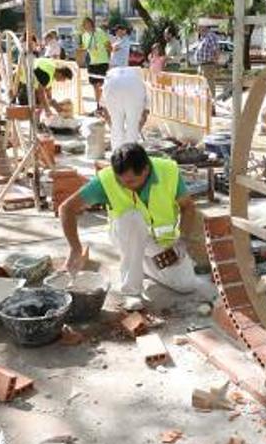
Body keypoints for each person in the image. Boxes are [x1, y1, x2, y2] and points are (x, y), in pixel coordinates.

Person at [60, 142, 206, 311]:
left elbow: (188, 207)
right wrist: (74, 248)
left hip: (160, 241)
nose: (124, 185)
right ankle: (131, 290)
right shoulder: (107, 179)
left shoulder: (168, 172)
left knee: (186, 285)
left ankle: (141, 262)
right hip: (126, 234)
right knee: (133, 216)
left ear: (145, 170)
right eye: (120, 180)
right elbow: (66, 208)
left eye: (130, 181)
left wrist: (182, 240)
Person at [14, 51, 75, 117]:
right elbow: (41, 92)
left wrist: (53, 104)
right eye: (64, 79)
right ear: (60, 74)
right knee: (34, 102)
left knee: (45, 101)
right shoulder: (47, 75)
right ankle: (37, 114)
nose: (62, 82)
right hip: (18, 83)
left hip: (25, 80)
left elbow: (47, 92)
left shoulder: (52, 67)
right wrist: (47, 110)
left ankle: (40, 113)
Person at [100, 66, 149, 150]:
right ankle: (130, 156)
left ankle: (117, 157)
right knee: (132, 127)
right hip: (134, 85)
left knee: (116, 128)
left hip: (112, 83)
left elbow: (105, 112)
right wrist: (137, 130)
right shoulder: (139, 78)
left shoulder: (111, 75)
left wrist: (112, 126)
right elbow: (144, 115)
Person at [78, 17, 111, 111]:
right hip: (92, 63)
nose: (86, 25)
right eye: (84, 24)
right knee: (94, 86)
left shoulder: (99, 32)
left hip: (102, 62)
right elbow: (85, 48)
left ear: (92, 24)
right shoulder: (84, 35)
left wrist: (109, 60)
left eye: (88, 23)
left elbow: (108, 46)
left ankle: (105, 106)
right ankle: (99, 106)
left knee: (101, 86)